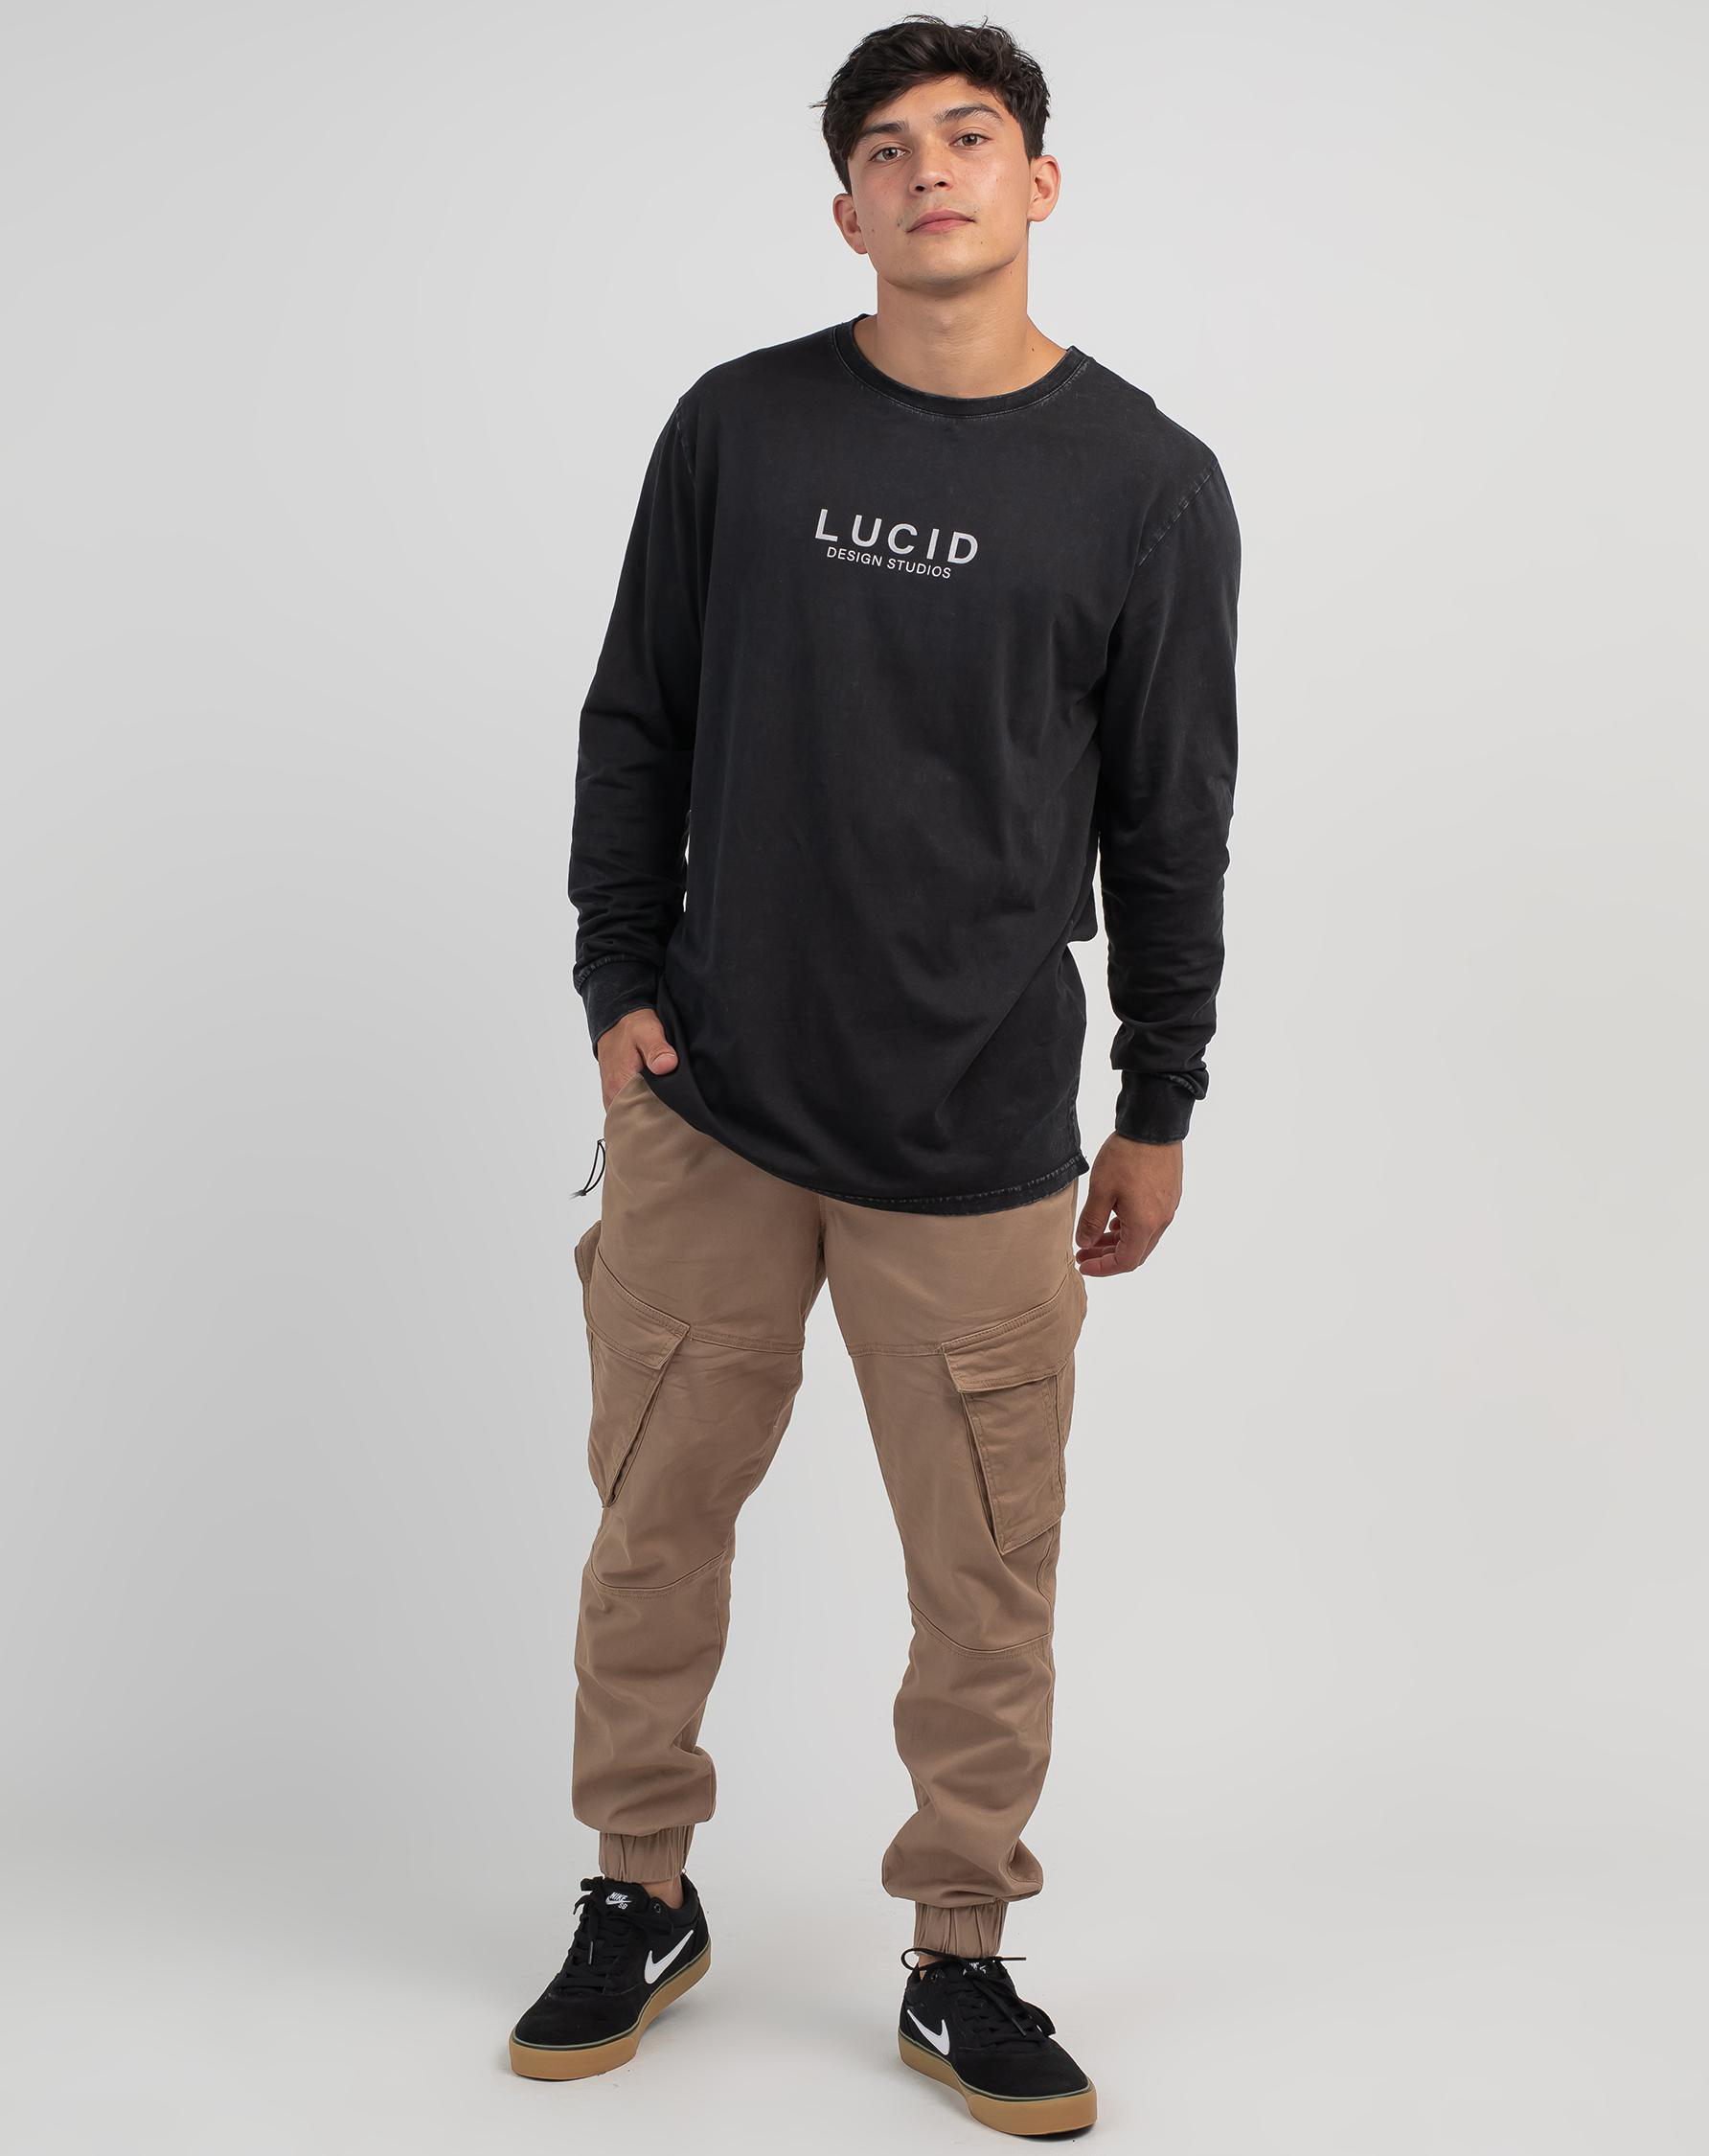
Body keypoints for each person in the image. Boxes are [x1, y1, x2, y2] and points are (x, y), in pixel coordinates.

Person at [507, 14, 1241, 2137]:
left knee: (985, 1573)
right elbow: (635, 714)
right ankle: (638, 1889)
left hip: (979, 1131)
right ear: (846, 210)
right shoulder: (739, 430)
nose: (932, 171)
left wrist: (1161, 1096)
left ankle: (961, 1949)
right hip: (714, 1105)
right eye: (890, 148)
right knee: (653, 1528)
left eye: (971, 136)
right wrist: (614, 980)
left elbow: (1171, 819)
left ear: (1038, 184)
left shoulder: (1147, 485)